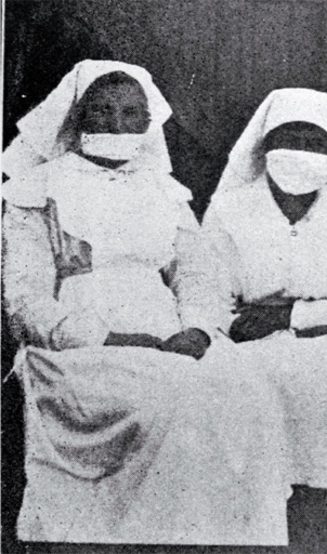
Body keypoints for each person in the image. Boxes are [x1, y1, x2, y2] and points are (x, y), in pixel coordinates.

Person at [2, 60, 292, 546]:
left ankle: (218, 539)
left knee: (251, 393)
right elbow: (24, 299)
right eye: (103, 111)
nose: (118, 125)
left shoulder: (163, 190)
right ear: (78, 117)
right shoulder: (38, 189)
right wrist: (110, 338)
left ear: (149, 122)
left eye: (132, 114)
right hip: (80, 344)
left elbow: (197, 271)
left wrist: (197, 329)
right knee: (166, 395)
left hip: (172, 332)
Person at [202, 88, 327, 528]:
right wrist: (237, 329)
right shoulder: (228, 210)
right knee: (233, 376)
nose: (299, 153)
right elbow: (210, 296)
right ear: (264, 147)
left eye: (314, 144)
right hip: (248, 340)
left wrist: (293, 316)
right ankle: (259, 504)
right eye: (287, 141)